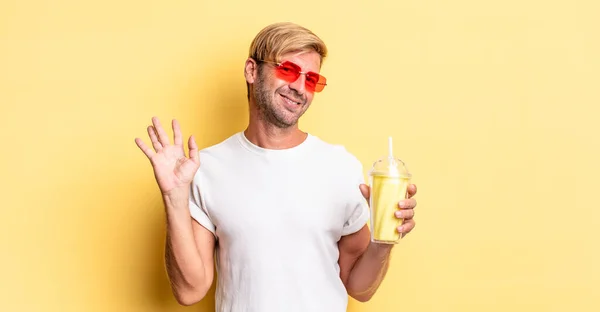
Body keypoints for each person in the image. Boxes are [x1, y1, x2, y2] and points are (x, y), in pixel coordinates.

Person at [135, 22, 417, 312]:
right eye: (288, 70)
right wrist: (174, 197)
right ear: (251, 71)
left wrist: (384, 241)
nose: (299, 88)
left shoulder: (341, 166)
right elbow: (189, 290)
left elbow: (360, 288)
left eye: (311, 80)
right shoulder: (206, 168)